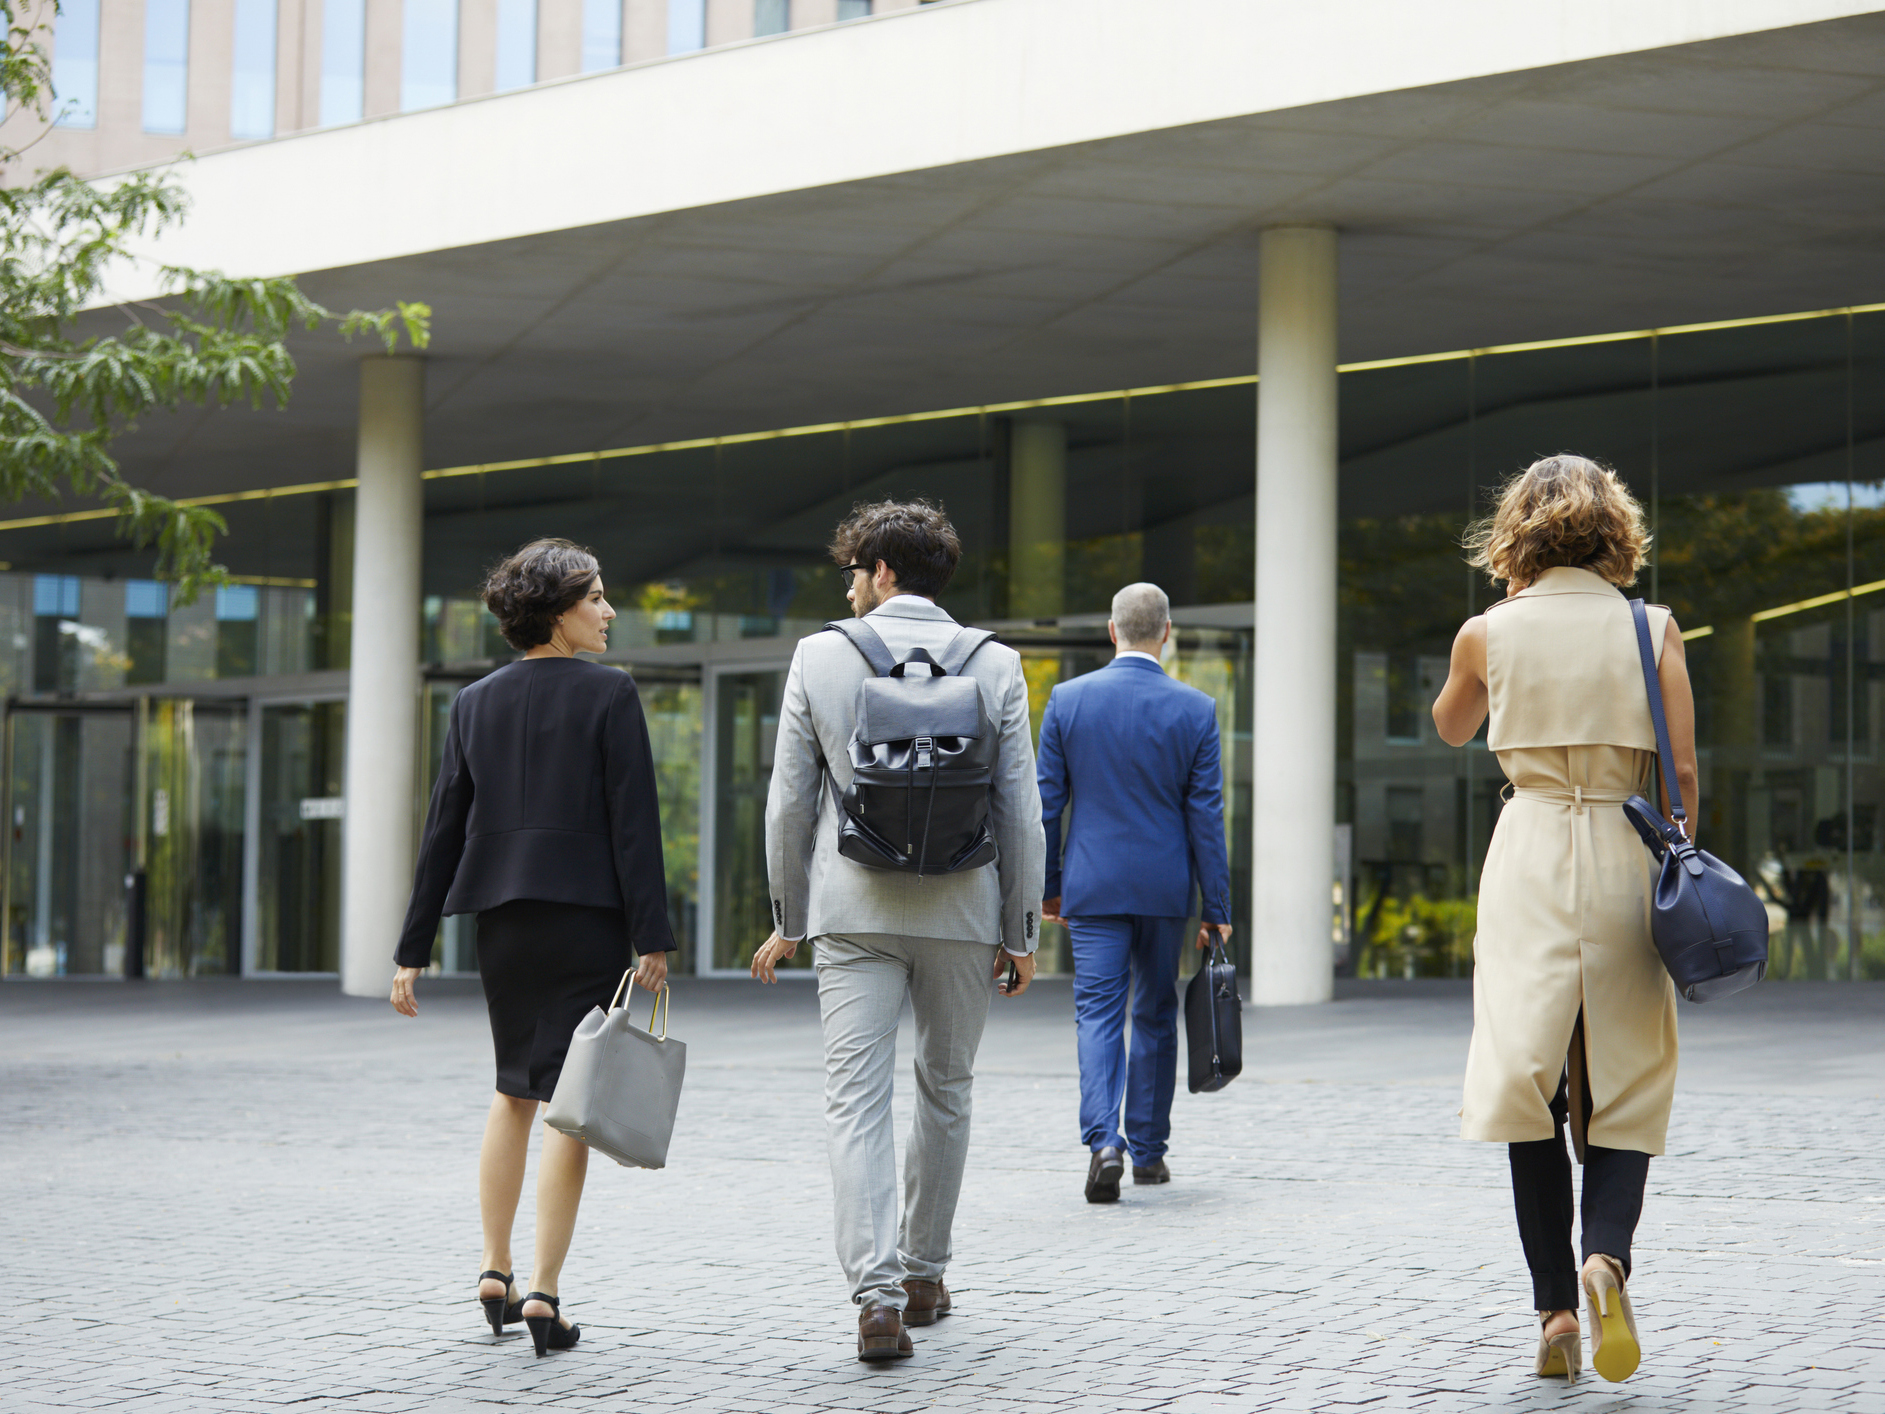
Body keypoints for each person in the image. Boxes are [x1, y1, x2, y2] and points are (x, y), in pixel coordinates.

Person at [750, 499, 1045, 1363]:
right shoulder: (995, 664)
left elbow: (787, 805)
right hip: (963, 911)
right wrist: (1020, 931)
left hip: (854, 914)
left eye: (853, 573)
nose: (848, 590)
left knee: (856, 1100)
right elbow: (1020, 812)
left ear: (882, 571)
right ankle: (924, 1274)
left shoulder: (818, 657)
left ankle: (874, 1298)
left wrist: (790, 920)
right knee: (945, 1089)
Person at [1432, 455, 1693, 1386]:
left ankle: (1552, 1313)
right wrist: (1678, 847)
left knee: (1526, 1079)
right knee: (1626, 1068)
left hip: (1532, 847)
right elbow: (1683, 775)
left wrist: (1498, 616)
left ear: (1518, 535)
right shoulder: (1649, 629)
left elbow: (1451, 728)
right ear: (1614, 533)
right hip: (1627, 849)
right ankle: (1605, 1257)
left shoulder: (1487, 631)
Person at [388, 538, 675, 1358]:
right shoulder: (610, 694)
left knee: (514, 1089)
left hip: (502, 923)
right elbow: (634, 823)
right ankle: (545, 1293)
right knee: (569, 1106)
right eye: (595, 597)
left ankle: (492, 1269)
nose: (608, 611)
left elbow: (442, 830)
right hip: (585, 916)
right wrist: (651, 936)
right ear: (556, 611)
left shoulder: (473, 701)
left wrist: (411, 948)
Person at [1036, 582, 1232, 1202]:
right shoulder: (1196, 709)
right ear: (1167, 633)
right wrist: (1216, 908)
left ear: (1112, 629)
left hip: (1091, 888)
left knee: (1096, 1013)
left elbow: (1045, 804)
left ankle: (1103, 1142)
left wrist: (1048, 888)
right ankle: (1148, 1154)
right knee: (1153, 1014)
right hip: (1164, 890)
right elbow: (1207, 817)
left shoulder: (1067, 701)